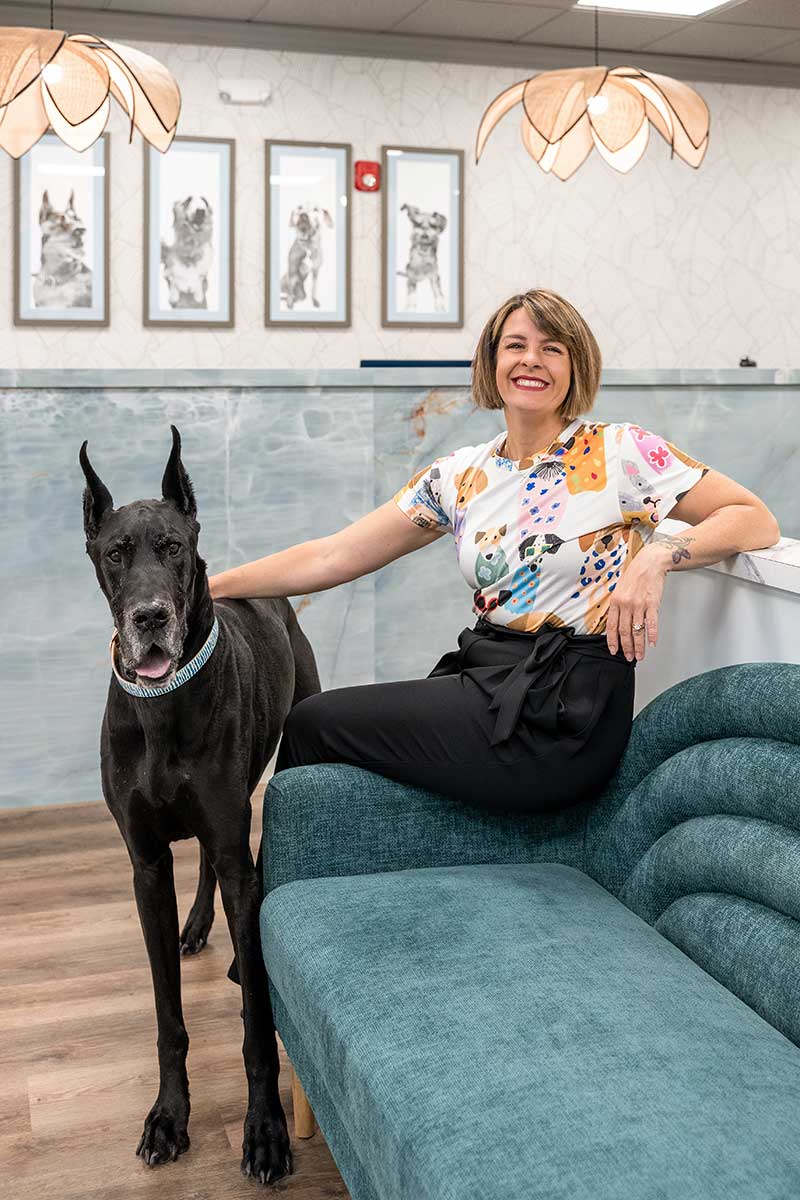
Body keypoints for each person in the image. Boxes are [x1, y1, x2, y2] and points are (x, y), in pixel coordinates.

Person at [208, 288, 713, 813]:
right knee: (316, 723)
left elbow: (749, 517)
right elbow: (332, 555)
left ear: (575, 364)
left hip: (567, 712)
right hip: (489, 677)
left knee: (313, 723)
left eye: (553, 347)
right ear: (492, 361)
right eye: (515, 345)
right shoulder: (462, 474)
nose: (531, 360)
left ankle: (265, 893)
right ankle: (313, 888)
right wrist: (210, 588)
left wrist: (658, 556)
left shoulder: (621, 451)